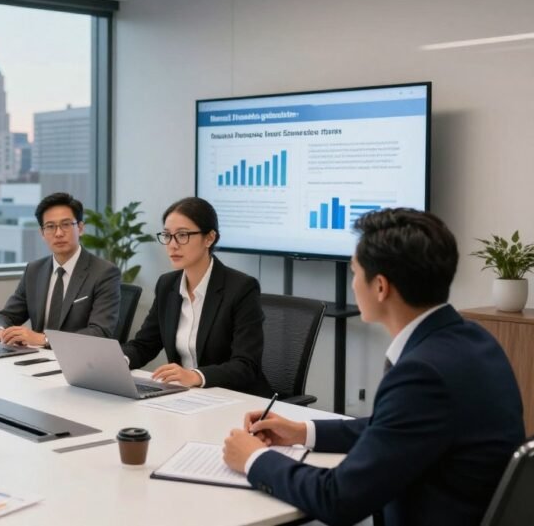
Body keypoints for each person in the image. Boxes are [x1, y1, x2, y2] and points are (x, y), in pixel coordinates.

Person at [223, 208, 525, 526]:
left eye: (354, 272)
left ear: (380, 287)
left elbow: (337, 499)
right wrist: (301, 431)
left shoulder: (422, 374)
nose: (353, 284)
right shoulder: (472, 339)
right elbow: (392, 428)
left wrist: (254, 459)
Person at [120, 197, 271, 397]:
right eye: (167, 235)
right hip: (186, 397)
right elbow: (144, 345)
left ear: (209, 238)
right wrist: (118, 361)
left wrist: (196, 376)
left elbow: (246, 365)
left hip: (234, 398)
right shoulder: (167, 285)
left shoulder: (241, 288)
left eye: (182, 235)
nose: (172, 245)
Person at [0, 192, 121, 347]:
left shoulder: (104, 273)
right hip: (36, 360)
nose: (58, 233)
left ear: (80, 228)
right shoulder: (34, 270)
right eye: (50, 227)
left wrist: (44, 340)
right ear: (42, 233)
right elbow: (7, 315)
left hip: (78, 361)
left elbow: (99, 332)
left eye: (66, 225)